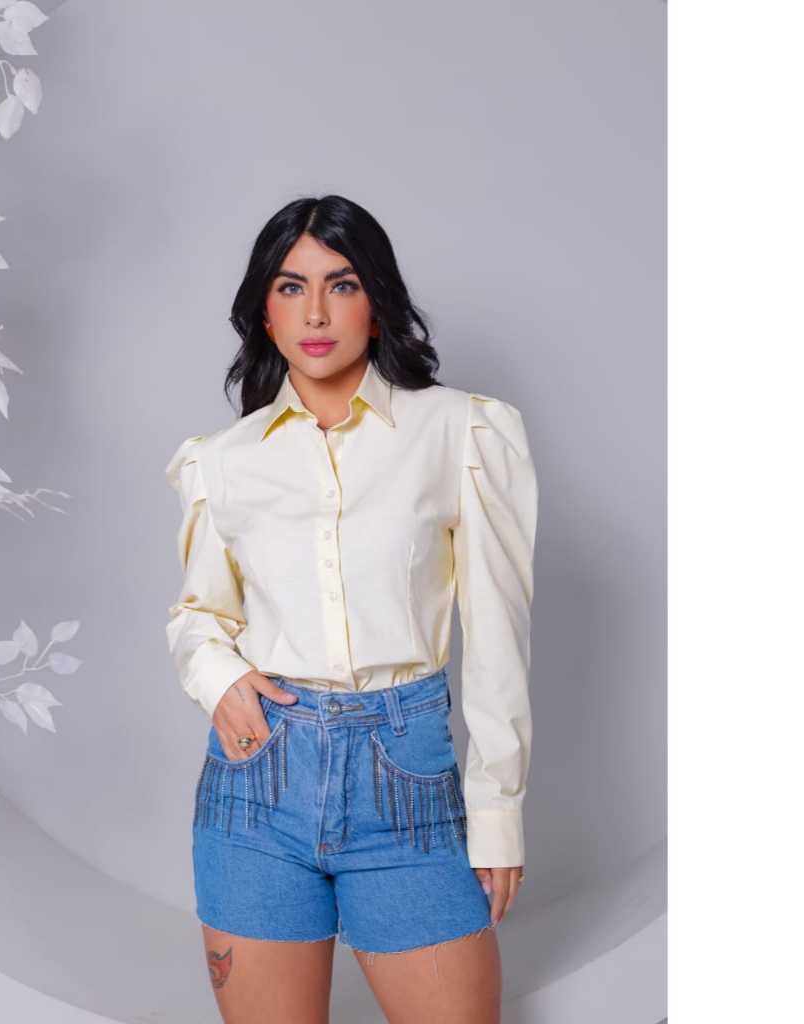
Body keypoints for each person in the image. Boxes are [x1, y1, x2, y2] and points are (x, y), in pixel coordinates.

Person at [165, 194, 538, 1023]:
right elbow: (199, 616)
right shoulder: (223, 461)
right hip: (257, 781)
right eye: (290, 287)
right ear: (264, 312)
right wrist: (218, 678)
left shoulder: (460, 432)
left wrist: (497, 815)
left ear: (377, 302)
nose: (316, 312)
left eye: (342, 284)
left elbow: (498, 637)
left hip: (404, 776)